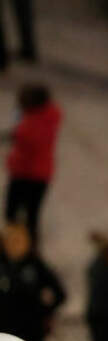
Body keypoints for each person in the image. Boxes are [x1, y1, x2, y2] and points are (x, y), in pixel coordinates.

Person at [5, 83, 62, 244]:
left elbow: (26, 138)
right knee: (31, 214)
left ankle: (17, 247)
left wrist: (17, 132)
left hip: (27, 173)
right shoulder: (48, 117)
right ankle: (25, 246)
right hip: (41, 174)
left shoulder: (34, 123)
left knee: (13, 213)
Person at [0, 222, 64, 341]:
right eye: (10, 241)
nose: (14, 245)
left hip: (31, 333)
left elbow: (59, 293)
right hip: (5, 335)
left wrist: (44, 309)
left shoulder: (35, 265)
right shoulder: (2, 267)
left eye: (18, 241)